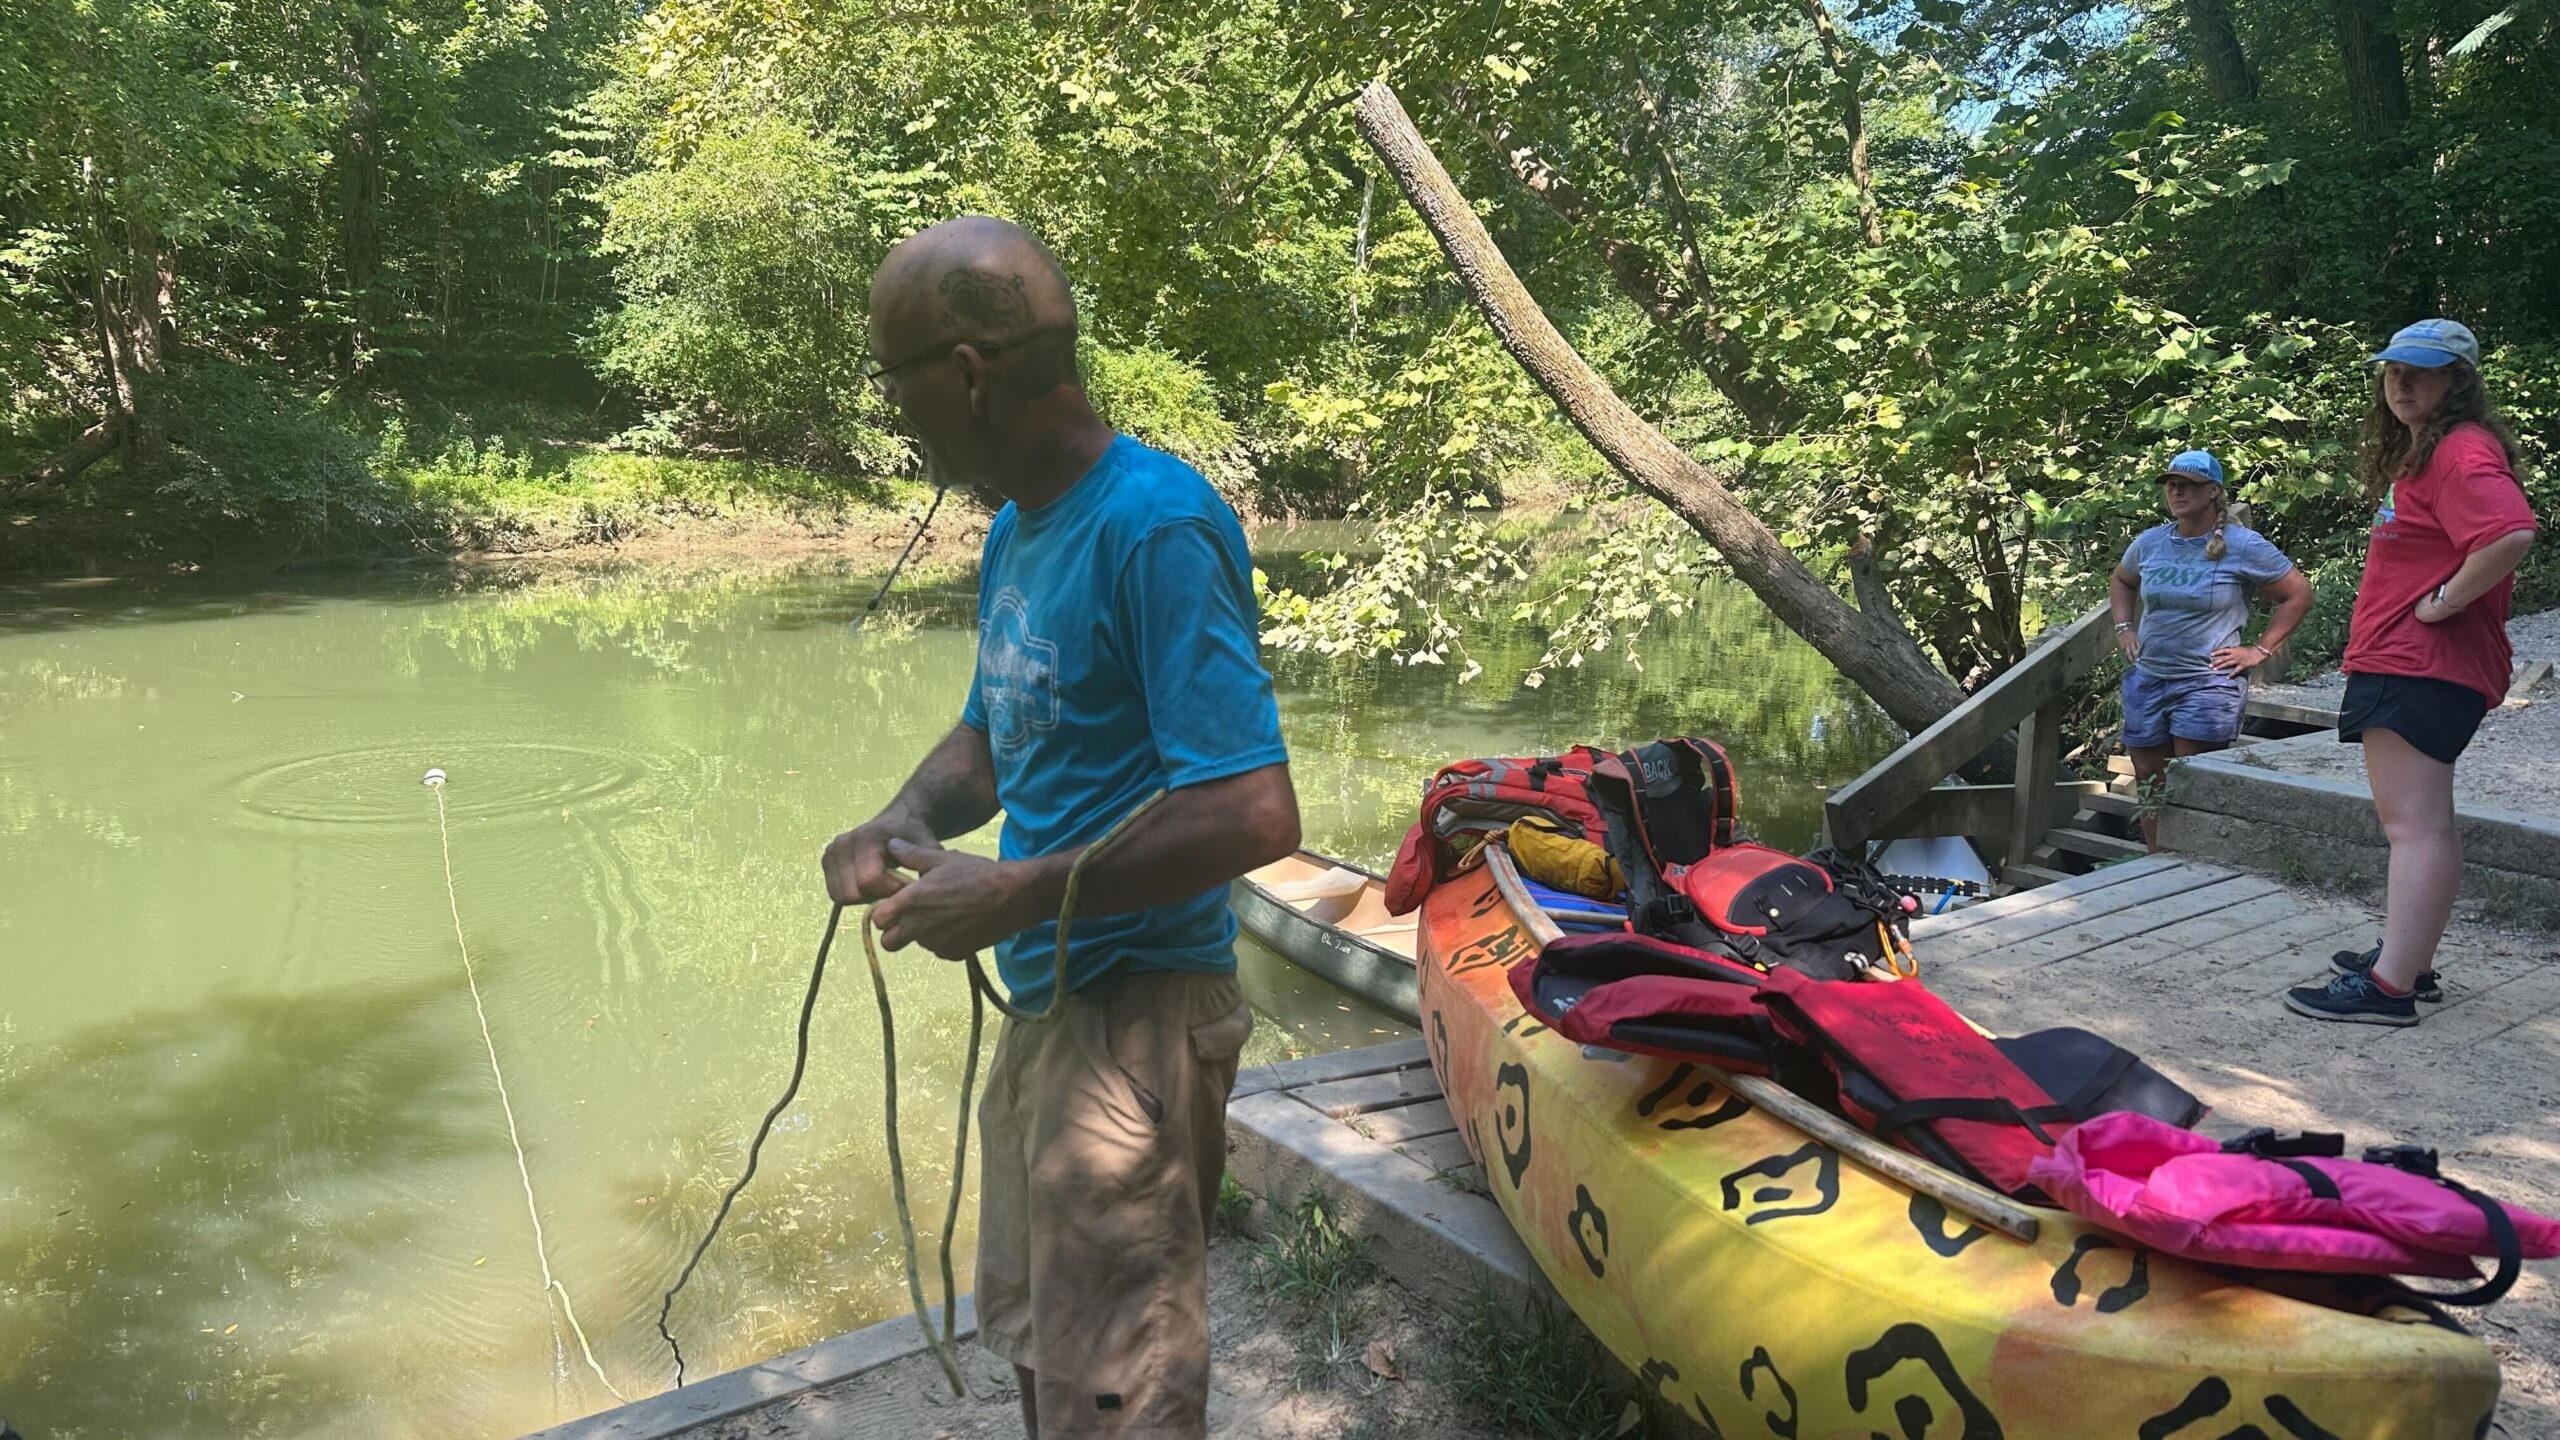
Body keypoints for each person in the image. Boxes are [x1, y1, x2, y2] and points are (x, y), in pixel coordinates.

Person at [820, 215, 1301, 1436]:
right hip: (1049, 1010)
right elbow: (995, 732)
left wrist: (1018, 892)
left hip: (1139, 1018)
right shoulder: (1017, 532)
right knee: (1043, 1336)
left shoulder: (1157, 524)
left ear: (967, 373)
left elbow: (1253, 810)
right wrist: (905, 815)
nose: (897, 411)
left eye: (897, 380)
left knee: (1121, 1384)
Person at [2287, 319, 2537, 1027]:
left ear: (2458, 381)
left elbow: (2510, 533)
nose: (2402, 383)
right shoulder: (2437, 450)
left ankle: (2390, 989)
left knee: (2414, 828)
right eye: (2394, 370)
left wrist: (2441, 603)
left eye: (2421, 372)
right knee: (2427, 824)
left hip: (2421, 662)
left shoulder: (2459, 450)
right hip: (2416, 662)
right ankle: (2410, 962)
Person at [2110, 449, 2315, 850]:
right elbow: (2122, 580)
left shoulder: (2243, 545)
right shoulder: (2151, 542)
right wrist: (2123, 627)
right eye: (2171, 484)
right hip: (2149, 676)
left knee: (2191, 779)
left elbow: (2298, 594)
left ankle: (2198, 861)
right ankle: (2156, 863)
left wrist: (2261, 650)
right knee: (2150, 781)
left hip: (2207, 683)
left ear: (2214, 491)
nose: (2177, 491)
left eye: (2188, 484)